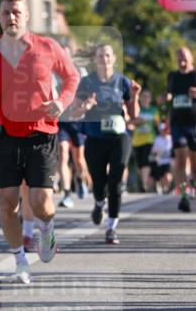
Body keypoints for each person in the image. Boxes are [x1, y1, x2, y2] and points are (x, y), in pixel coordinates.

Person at [0, 0, 80, 284]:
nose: (11, 17)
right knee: (7, 203)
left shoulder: (47, 47)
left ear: (26, 16)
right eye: (6, 12)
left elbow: (72, 77)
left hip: (42, 133)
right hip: (5, 134)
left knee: (41, 201)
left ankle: (47, 227)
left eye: (17, 12)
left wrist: (62, 101)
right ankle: (20, 261)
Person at [72, 43, 140, 245]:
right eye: (100, 56)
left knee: (116, 179)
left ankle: (111, 227)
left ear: (114, 59)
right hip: (95, 138)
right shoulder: (86, 82)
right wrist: (86, 106)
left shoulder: (123, 81)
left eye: (108, 55)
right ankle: (99, 202)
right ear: (95, 60)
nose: (104, 59)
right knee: (99, 181)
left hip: (119, 136)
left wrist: (134, 96)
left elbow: (134, 115)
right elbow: (74, 112)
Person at [165, 46, 196, 212]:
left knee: (194, 162)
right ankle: (184, 196)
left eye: (184, 55)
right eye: (178, 56)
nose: (181, 59)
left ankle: (193, 186)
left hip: (194, 123)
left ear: (191, 57)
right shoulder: (172, 76)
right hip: (177, 123)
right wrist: (166, 97)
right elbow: (169, 93)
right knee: (180, 159)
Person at [130, 88, 159, 192]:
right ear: (140, 98)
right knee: (139, 164)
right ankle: (143, 181)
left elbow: (158, 124)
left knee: (146, 161)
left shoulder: (154, 110)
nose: (145, 98)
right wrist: (138, 121)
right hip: (137, 140)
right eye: (144, 96)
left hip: (149, 139)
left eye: (148, 96)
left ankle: (144, 184)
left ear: (150, 99)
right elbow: (129, 123)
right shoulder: (137, 109)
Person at [149, 121, 173, 193]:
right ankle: (164, 188)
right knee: (162, 176)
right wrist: (155, 159)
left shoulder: (170, 138)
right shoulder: (157, 140)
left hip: (169, 161)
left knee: (167, 175)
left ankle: (168, 187)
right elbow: (154, 152)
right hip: (160, 161)